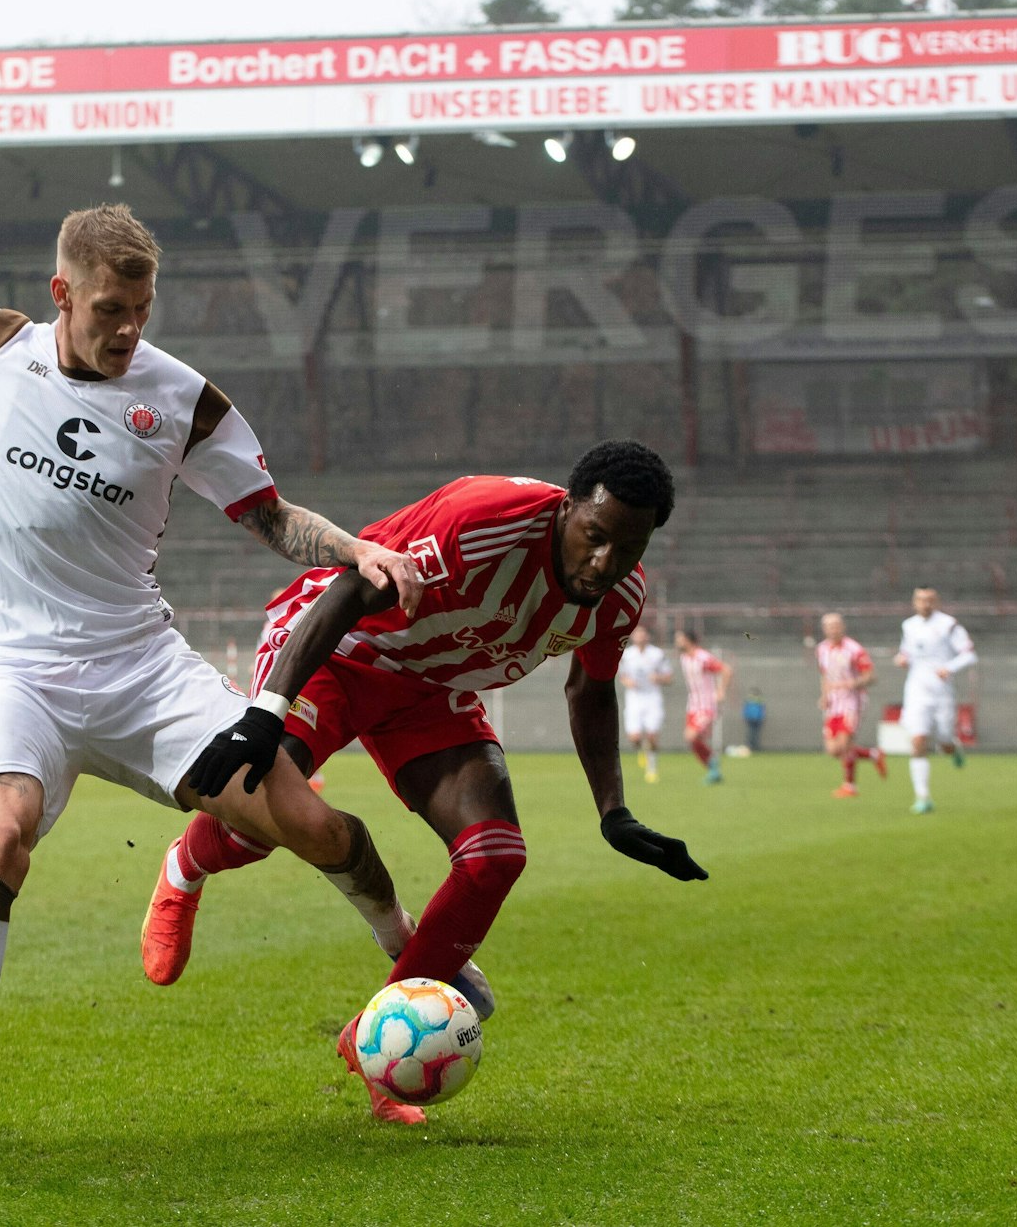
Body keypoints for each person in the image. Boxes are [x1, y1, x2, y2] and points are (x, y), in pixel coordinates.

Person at [0, 64, 424, 1159]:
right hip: (15, 670)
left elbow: (268, 515)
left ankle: (421, 958)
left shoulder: (183, 399)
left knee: (311, 825)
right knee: (4, 827)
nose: (127, 331)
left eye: (142, 312)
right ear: (60, 292)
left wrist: (354, 548)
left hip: (141, 668)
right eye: (110, 310)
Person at [144, 441, 708, 1125]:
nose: (604, 562)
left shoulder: (619, 597)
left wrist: (613, 811)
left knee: (495, 856)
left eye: (629, 547)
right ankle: (186, 864)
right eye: (596, 536)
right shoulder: (486, 521)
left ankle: (376, 1046)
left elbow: (589, 690)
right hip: (341, 653)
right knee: (265, 817)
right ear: (567, 509)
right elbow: (351, 591)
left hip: (433, 690)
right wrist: (268, 713)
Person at [895, 588, 975, 814]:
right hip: (916, 690)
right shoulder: (908, 626)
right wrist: (902, 659)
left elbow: (969, 654)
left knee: (944, 741)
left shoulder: (949, 625)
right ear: (914, 602)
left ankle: (953, 748)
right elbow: (906, 652)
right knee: (918, 739)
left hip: (941, 692)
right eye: (921, 600)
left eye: (929, 600)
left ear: (937, 602)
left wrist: (948, 668)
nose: (925, 604)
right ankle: (923, 797)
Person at [816, 613, 885, 798]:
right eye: (829, 626)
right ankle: (873, 754)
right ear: (824, 629)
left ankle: (849, 786)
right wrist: (824, 696)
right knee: (833, 750)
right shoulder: (821, 649)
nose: (833, 629)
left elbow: (871, 676)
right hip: (834, 703)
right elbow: (825, 675)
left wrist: (851, 684)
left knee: (845, 744)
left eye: (836, 625)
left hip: (852, 702)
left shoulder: (854, 649)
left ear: (843, 627)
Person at [675, 629, 731, 785]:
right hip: (693, 705)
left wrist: (721, 691)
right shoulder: (684, 657)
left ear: (688, 640)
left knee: (690, 736)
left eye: (679, 639)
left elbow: (726, 670)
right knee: (694, 740)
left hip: (706, 705)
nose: (676, 642)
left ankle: (713, 763)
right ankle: (713, 770)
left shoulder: (702, 658)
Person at [617, 624, 670, 783]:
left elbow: (669, 677)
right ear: (633, 636)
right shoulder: (627, 655)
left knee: (652, 735)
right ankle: (642, 750)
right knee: (634, 737)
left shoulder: (657, 654)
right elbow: (622, 675)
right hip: (634, 698)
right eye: (637, 633)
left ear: (648, 636)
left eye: (643, 633)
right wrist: (628, 682)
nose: (640, 636)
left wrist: (658, 678)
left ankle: (652, 769)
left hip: (652, 697)